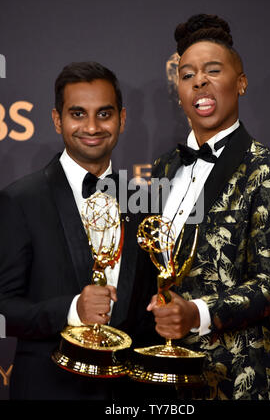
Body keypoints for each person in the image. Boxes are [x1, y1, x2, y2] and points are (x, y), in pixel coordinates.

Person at [147, 14, 270, 399]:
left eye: (213, 70)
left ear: (241, 83)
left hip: (246, 383)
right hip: (177, 381)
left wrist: (194, 313)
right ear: (179, 89)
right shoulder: (166, 166)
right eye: (187, 74)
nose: (199, 80)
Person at [0, 61, 158, 400]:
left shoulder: (142, 201)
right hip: (50, 390)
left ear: (122, 119)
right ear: (57, 120)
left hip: (126, 396)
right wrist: (73, 310)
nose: (91, 126)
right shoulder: (20, 199)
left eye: (104, 114)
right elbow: (4, 309)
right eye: (77, 114)